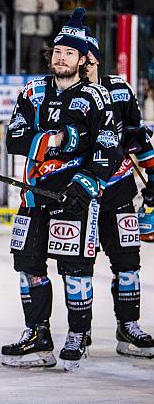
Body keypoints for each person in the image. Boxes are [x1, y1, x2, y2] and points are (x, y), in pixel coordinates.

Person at [3, 8, 123, 371]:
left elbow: (107, 148)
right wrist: (62, 138)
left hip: (75, 196)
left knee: (75, 269)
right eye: (57, 51)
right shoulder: (33, 90)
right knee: (29, 267)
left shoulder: (96, 97)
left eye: (69, 53)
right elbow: (14, 137)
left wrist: (84, 185)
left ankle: (78, 334)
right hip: (35, 193)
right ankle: (38, 335)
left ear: (83, 59)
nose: (61, 57)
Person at [83, 27, 154, 357]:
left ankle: (128, 327)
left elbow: (138, 136)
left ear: (94, 57)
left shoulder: (120, 90)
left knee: (128, 263)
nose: (78, 61)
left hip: (119, 190)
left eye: (84, 54)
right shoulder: (59, 92)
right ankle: (78, 330)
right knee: (77, 268)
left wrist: (153, 180)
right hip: (78, 194)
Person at [13, 0, 59, 74]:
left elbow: (54, 6)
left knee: (35, 55)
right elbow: (20, 6)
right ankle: (16, 75)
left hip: (40, 29)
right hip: (25, 28)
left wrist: (40, 7)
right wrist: (38, 7)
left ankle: (33, 76)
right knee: (21, 54)